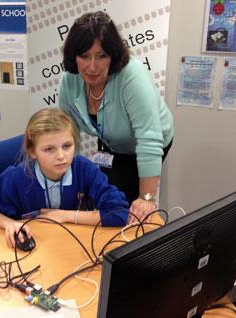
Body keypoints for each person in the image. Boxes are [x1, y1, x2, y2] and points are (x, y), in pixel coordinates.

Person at [58, 11, 174, 223]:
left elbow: (149, 139)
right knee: (104, 195)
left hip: (150, 139)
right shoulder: (69, 81)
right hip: (111, 139)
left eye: (101, 56)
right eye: (84, 56)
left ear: (113, 54)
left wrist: (146, 199)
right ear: (74, 56)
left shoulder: (132, 76)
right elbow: (66, 135)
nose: (92, 66)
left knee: (130, 206)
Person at [0, 108, 128, 248]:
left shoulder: (84, 169)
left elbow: (120, 213)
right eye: (49, 149)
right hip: (34, 250)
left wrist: (67, 215)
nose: (61, 156)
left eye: (67, 146)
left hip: (72, 247)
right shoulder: (18, 177)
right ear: (32, 152)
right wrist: (9, 224)